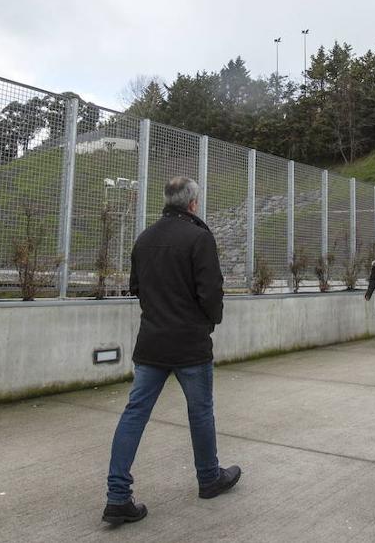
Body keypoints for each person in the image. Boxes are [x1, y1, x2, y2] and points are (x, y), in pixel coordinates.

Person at [102, 177, 241, 526]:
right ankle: (209, 478)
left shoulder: (145, 238)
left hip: (151, 342)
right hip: (191, 344)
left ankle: (117, 496)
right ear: (193, 203)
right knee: (200, 412)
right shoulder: (199, 237)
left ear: (168, 201)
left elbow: (136, 287)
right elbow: (211, 293)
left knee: (134, 414)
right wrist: (209, 322)